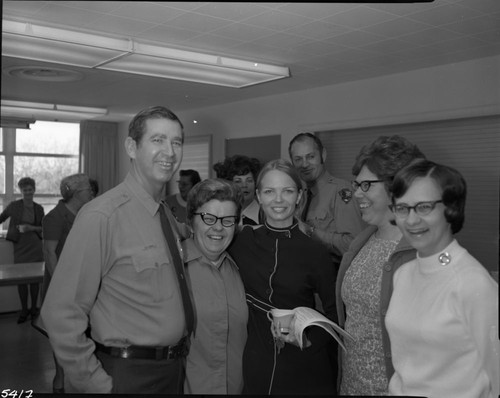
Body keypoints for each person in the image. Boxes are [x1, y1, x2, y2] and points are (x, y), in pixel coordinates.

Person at [41, 106, 193, 394]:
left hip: (172, 370)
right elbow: (61, 312)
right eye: (158, 140)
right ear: (131, 147)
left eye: (177, 142)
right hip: (127, 374)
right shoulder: (102, 215)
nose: (170, 152)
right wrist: (97, 385)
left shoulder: (166, 215)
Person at [386, 159, 499, 398]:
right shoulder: (403, 274)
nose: (412, 220)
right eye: (402, 208)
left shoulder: (473, 283)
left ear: (451, 209)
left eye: (424, 207)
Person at [228, 159, 338, 395]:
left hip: (303, 366)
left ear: (299, 196)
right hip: (256, 363)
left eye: (287, 191)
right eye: (269, 191)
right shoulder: (241, 241)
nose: (278, 200)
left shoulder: (315, 251)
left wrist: (308, 340)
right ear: (258, 195)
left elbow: (335, 312)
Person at [335, 135, 425, 395]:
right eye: (356, 184)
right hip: (351, 385)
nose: (356, 193)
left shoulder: (422, 251)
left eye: (365, 185)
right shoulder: (364, 240)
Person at [183, 178, 248, 394]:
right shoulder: (173, 269)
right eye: (208, 218)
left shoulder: (240, 270)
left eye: (227, 219)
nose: (218, 227)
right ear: (191, 221)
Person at [41, 173, 95, 394]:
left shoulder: (87, 214)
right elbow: (49, 253)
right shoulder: (55, 217)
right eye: (88, 190)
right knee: (62, 334)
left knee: (84, 332)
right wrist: (61, 288)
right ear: (76, 193)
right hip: (62, 286)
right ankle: (60, 379)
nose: (92, 193)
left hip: (84, 282)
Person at [288, 133, 365, 269]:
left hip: (333, 276)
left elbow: (353, 244)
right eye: (298, 159)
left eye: (311, 157)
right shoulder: (299, 195)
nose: (305, 164)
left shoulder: (342, 191)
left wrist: (310, 231)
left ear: (323, 155)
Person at [0, 177, 44, 324]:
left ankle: (34, 309)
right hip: (20, 247)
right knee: (21, 280)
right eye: (25, 190)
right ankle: (24, 310)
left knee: (34, 281)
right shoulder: (14, 206)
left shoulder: (39, 208)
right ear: (21, 191)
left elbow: (43, 228)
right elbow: (1, 218)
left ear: (34, 190)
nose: (28, 192)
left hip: (35, 247)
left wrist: (31, 228)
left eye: (30, 189)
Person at [213, 154, 262, 225]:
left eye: (249, 180)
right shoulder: (219, 215)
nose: (244, 185)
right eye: (238, 181)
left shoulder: (266, 216)